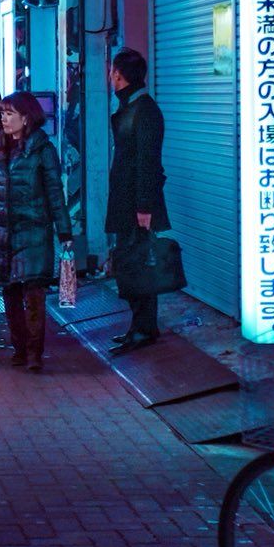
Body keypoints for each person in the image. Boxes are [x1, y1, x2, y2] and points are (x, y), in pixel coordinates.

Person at [0, 92, 73, 373]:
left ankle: (34, 351)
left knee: (33, 294)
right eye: (3, 113)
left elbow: (55, 192)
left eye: (9, 114)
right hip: (2, 232)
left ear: (26, 117)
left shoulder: (42, 149)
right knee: (9, 293)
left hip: (33, 230)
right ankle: (19, 347)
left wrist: (64, 232)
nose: (3, 118)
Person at [106, 48, 172, 352]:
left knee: (138, 265)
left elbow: (148, 160)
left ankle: (144, 329)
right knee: (132, 264)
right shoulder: (132, 106)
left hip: (136, 205)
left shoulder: (144, 110)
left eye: (111, 71)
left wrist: (145, 207)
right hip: (127, 201)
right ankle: (140, 326)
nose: (109, 76)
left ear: (118, 75)